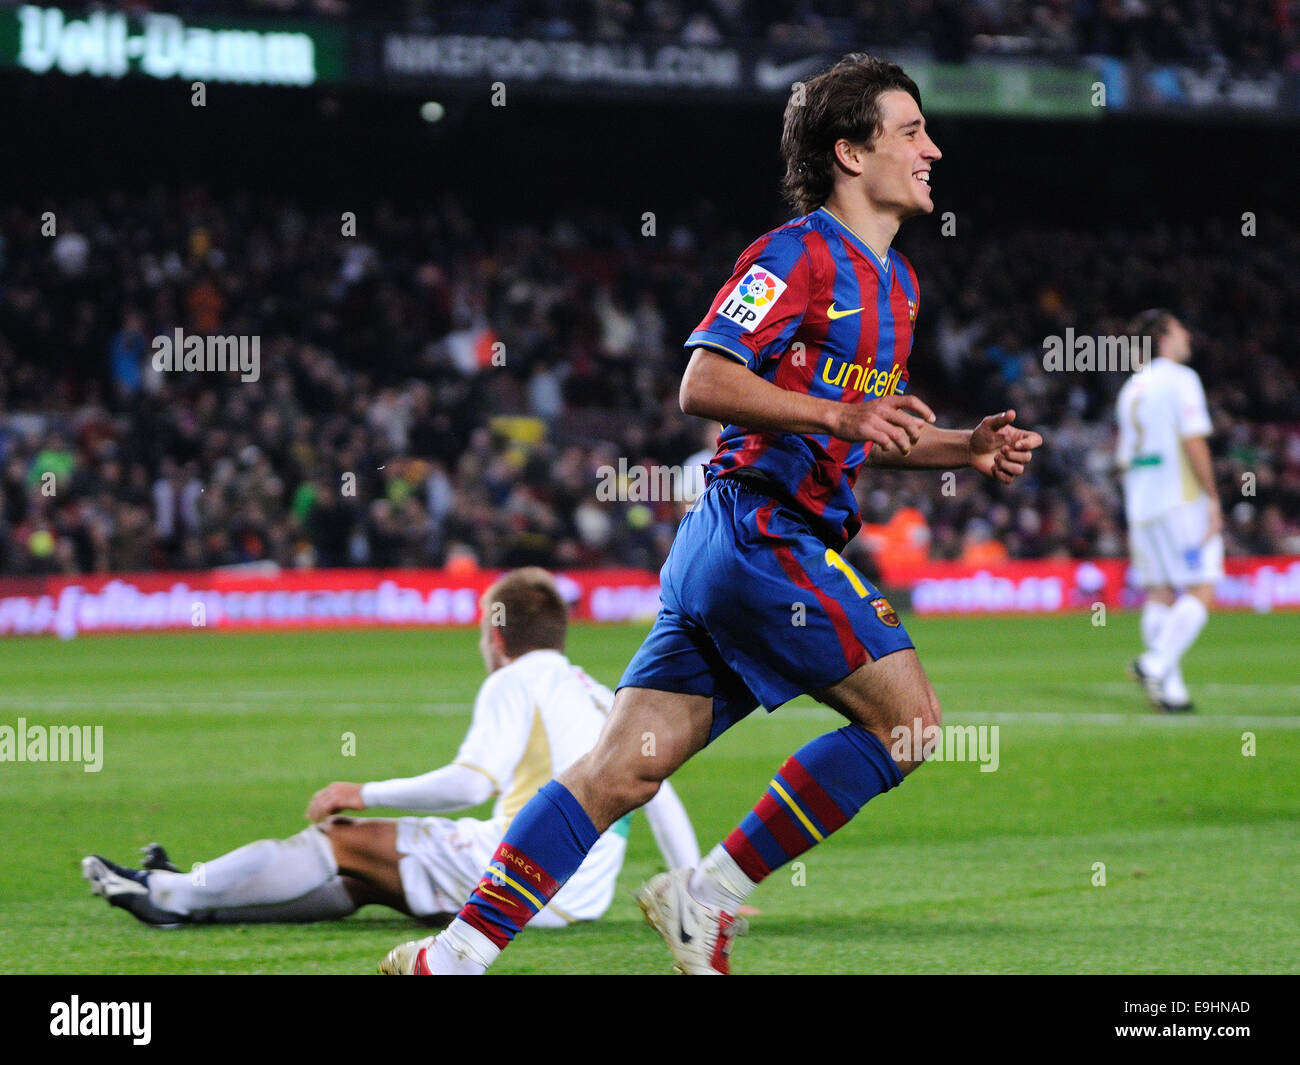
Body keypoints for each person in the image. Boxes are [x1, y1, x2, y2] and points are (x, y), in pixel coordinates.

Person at [381, 53, 1042, 977]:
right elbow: (704, 379)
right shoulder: (798, 255)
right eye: (910, 131)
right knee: (909, 725)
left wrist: (963, 446)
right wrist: (835, 413)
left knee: (619, 771)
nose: (933, 149)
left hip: (732, 554)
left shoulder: (898, 288)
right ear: (850, 153)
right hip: (759, 533)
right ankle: (707, 895)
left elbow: (859, 432)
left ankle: (450, 955)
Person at [82, 568, 698, 929]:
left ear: (496, 633)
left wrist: (362, 789)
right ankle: (195, 899)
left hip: (521, 875)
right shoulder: (598, 693)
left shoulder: (516, 680)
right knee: (364, 878)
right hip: (576, 898)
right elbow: (657, 790)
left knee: (342, 836)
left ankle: (172, 893)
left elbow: (469, 784)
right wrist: (687, 892)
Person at [1117, 310, 1221, 712]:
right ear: (1162, 337)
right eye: (1180, 329)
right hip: (1181, 501)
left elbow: (1125, 459)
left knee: (1160, 592)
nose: (1187, 335)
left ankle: (1169, 691)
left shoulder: (1131, 389)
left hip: (1142, 504)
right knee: (1202, 587)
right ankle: (1156, 663)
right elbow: (1194, 442)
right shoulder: (1181, 380)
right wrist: (1212, 497)